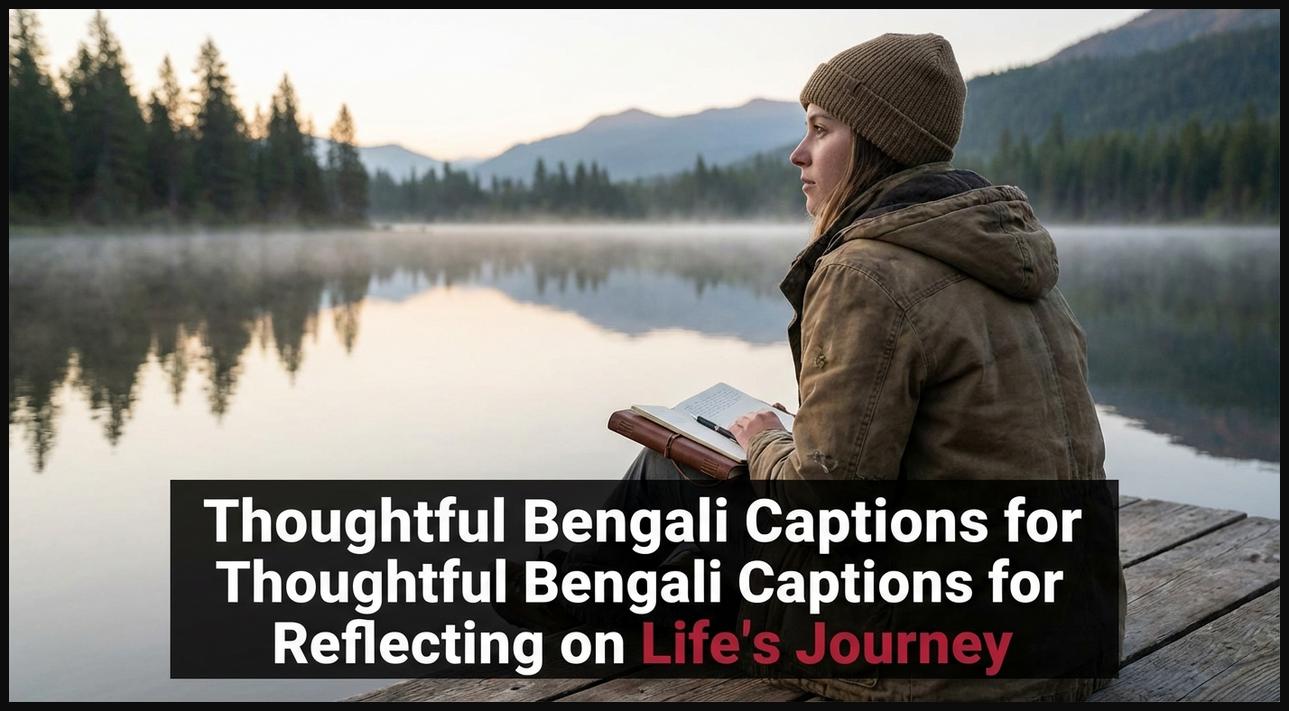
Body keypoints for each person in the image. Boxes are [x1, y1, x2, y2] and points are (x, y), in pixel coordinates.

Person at [499, 32, 1127, 701]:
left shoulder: (867, 269)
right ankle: (569, 597)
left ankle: (561, 598)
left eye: (820, 130)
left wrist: (766, 441)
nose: (798, 154)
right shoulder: (1012, 264)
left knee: (676, 467)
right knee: (715, 518)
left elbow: (823, 511)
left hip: (955, 665)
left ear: (874, 145)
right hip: (1074, 636)